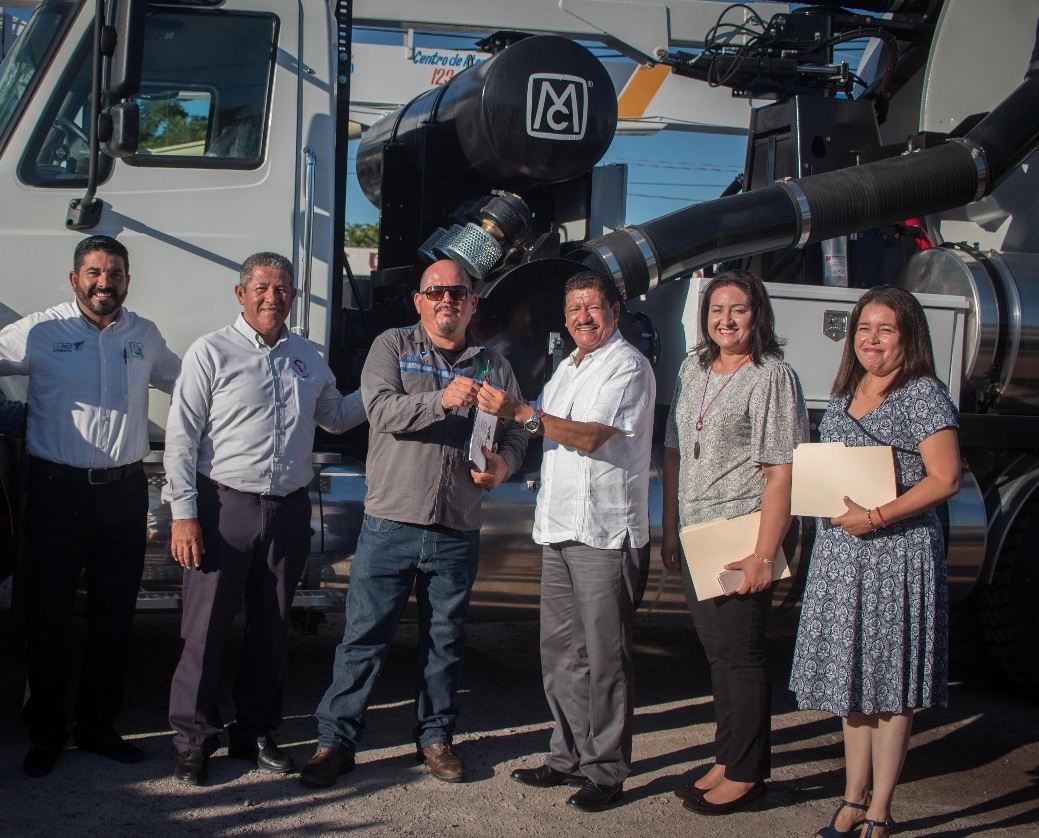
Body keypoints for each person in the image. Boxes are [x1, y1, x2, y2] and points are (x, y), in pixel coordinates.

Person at [302, 259, 527, 788]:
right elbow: (380, 410)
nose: (448, 300)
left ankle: (436, 738)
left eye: (458, 293)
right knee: (363, 639)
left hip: (457, 526)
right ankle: (335, 743)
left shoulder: (494, 365)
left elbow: (517, 430)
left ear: (473, 303)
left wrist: (504, 465)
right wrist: (440, 399)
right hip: (391, 523)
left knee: (445, 642)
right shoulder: (393, 347)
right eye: (437, 292)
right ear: (419, 301)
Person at [164, 252, 366, 786]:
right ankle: (194, 740)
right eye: (262, 287)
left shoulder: (307, 357)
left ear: (294, 297)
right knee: (204, 630)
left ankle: (254, 732)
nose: (272, 297)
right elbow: (182, 438)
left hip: (288, 510)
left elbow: (335, 416)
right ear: (241, 293)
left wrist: (382, 387)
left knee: (272, 628)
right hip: (223, 507)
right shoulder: (211, 351)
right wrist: (184, 515)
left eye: (282, 289)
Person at [0, 235, 181, 778]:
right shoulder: (40, 331)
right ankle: (46, 732)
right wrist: (9, 419)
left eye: (116, 274)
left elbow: (190, 385)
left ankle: (98, 728)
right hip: (56, 492)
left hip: (123, 494)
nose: (106, 283)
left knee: (114, 618)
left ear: (128, 280)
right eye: (95, 273)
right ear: (75, 278)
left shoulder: (143, 335)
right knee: (48, 619)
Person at [477, 270, 656, 812]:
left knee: (605, 658)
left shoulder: (628, 366)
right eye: (574, 308)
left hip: (604, 532)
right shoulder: (567, 368)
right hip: (557, 526)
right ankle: (567, 756)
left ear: (615, 310)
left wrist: (519, 412)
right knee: (559, 653)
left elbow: (589, 436)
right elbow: (542, 428)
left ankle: (607, 770)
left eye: (593, 306)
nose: (583, 317)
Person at [789, 285, 960, 838]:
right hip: (844, 557)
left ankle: (880, 810)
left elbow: (945, 478)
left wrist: (879, 515)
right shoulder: (846, 391)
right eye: (864, 328)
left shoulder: (923, 394)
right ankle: (852, 798)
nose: (872, 340)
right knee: (853, 684)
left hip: (895, 557)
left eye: (886, 330)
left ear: (909, 337)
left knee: (889, 689)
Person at [660, 268, 808, 816]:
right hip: (696, 534)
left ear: (757, 315)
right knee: (718, 655)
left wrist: (764, 555)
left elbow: (781, 473)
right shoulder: (692, 367)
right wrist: (671, 527)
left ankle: (747, 776)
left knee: (741, 656)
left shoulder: (772, 375)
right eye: (716, 310)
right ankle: (727, 758)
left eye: (738, 309)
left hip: (741, 532)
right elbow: (674, 450)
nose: (726, 320)